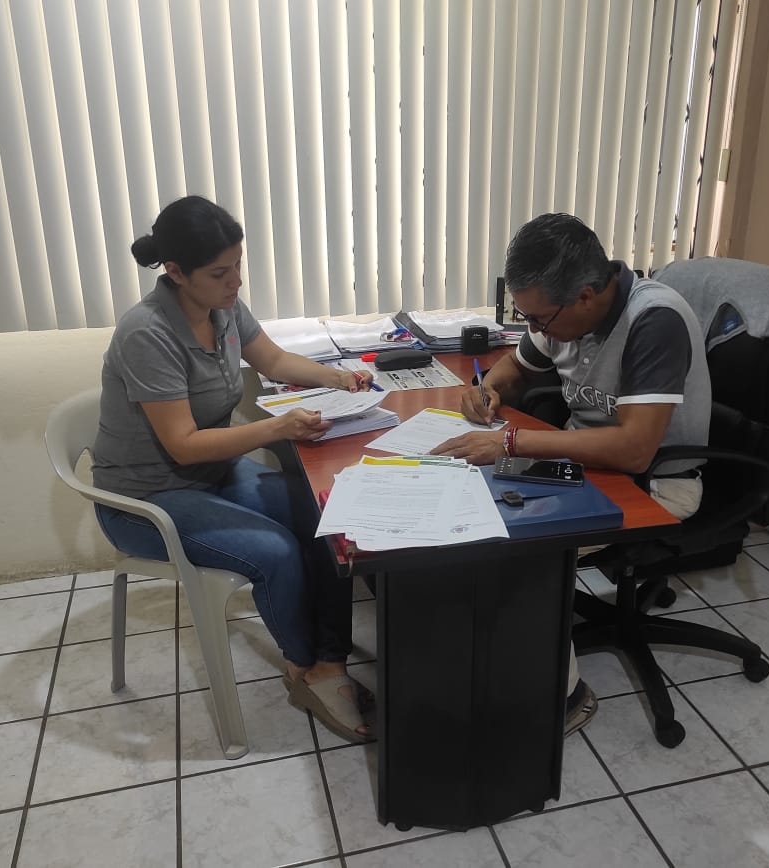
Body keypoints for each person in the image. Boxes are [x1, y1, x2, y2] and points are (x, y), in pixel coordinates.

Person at [91, 195, 375, 743]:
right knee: (276, 552)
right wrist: (278, 428)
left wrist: (337, 378)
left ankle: (329, 659)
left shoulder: (222, 307)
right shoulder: (147, 332)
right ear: (176, 272)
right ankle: (305, 668)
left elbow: (272, 359)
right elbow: (182, 446)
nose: (235, 282)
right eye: (220, 273)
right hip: (147, 498)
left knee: (328, 514)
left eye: (238, 266)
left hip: (212, 473)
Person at [433, 212, 711, 735]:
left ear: (586, 295)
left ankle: (565, 699)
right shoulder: (561, 313)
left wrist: (511, 442)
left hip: (652, 481)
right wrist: (488, 389)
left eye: (540, 320)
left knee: (519, 551)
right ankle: (487, 657)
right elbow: (516, 368)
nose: (536, 329)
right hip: (579, 463)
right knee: (467, 504)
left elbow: (634, 449)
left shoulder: (654, 320)